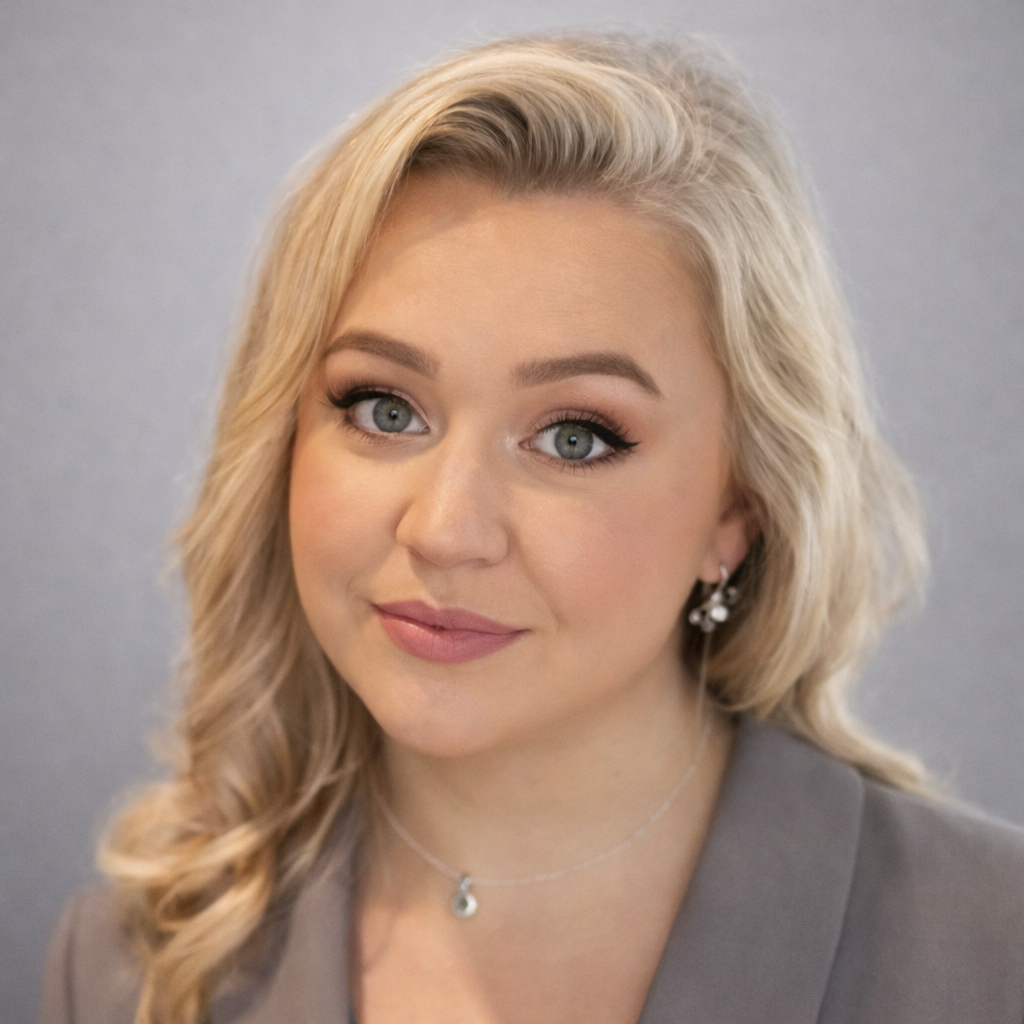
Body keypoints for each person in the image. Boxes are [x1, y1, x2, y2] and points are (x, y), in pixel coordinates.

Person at [39, 30, 1024, 1024]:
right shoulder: (130, 970)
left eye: (576, 437)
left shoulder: (995, 947)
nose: (445, 528)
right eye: (385, 407)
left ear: (737, 509)